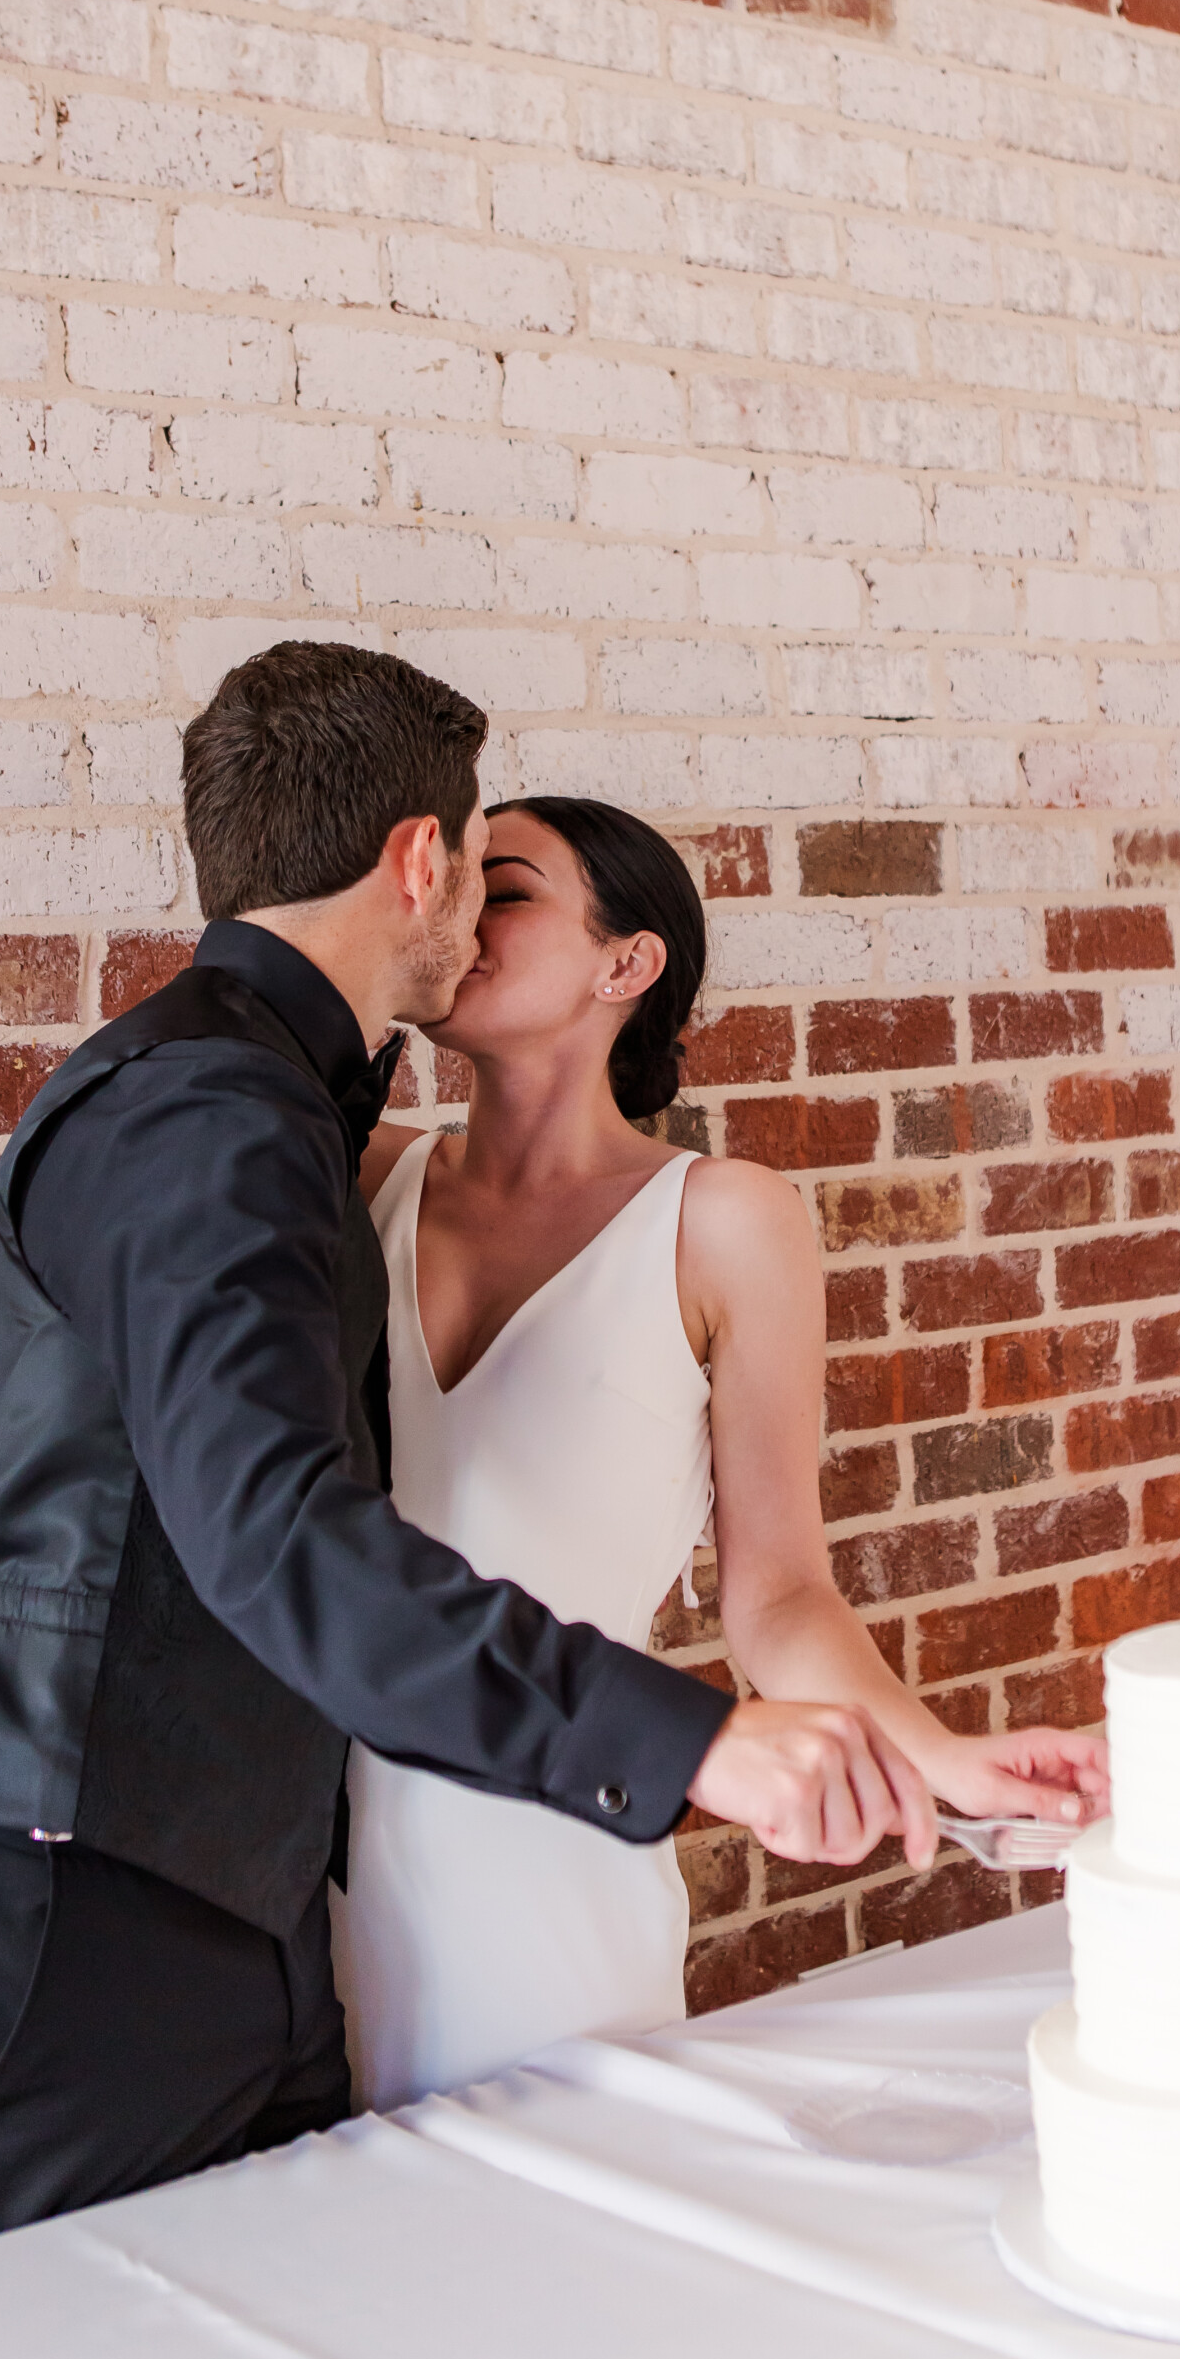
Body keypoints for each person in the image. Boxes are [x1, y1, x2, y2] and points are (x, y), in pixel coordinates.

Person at [0, 645, 942, 2262]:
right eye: (478, 865)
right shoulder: (217, 1116)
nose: (482, 921)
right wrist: (696, 1744)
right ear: (419, 859)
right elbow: (285, 1541)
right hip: (61, 1912)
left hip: (244, 1913)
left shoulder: (284, 1115)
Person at [334, 796, 1110, 2111]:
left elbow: (780, 1595)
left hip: (554, 1886)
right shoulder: (353, 1176)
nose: (461, 908)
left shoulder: (725, 1225)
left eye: (504, 886)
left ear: (623, 966)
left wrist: (933, 1754)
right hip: (315, 1898)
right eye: (454, 877)